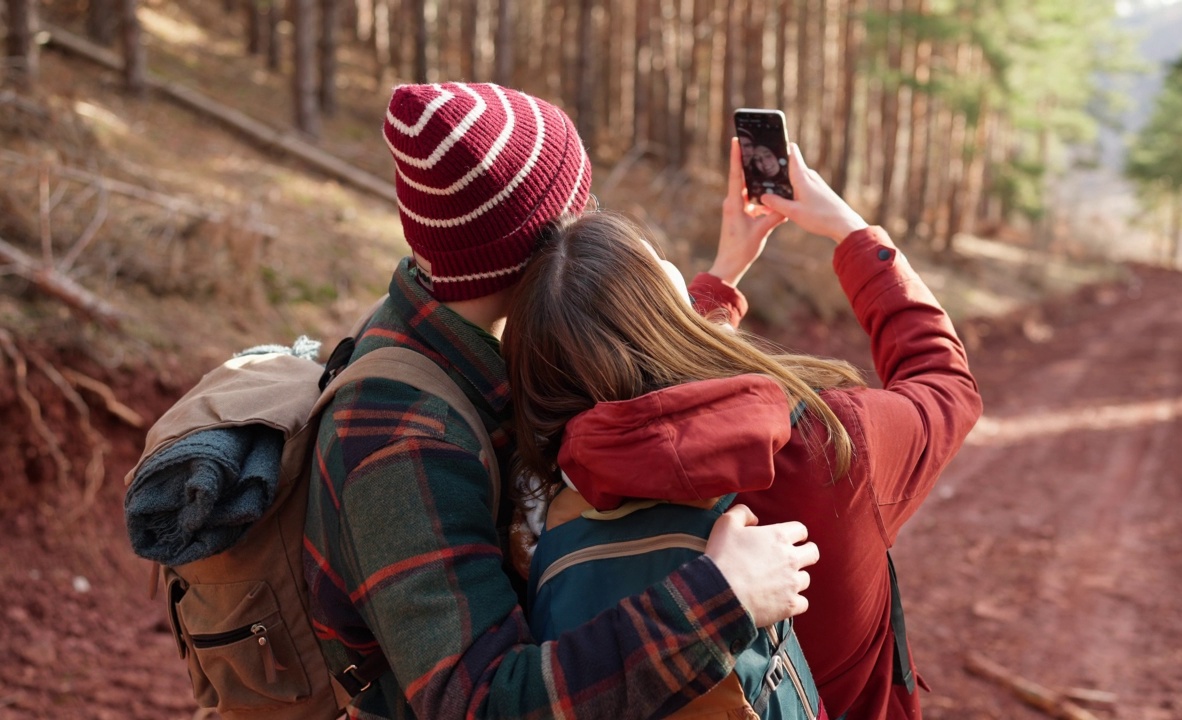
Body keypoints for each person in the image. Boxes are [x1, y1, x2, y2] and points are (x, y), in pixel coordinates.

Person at [303, 83, 819, 720]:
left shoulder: (458, 325)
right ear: (545, 251)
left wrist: (719, 281)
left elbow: (602, 361)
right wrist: (721, 599)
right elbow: (482, 703)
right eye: (585, 203)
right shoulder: (402, 439)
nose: (594, 218)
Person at [503, 137, 983, 720]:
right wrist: (853, 234)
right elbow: (945, 383)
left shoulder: (550, 492)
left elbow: (645, 393)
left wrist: (724, 277)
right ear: (667, 304)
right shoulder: (832, 438)